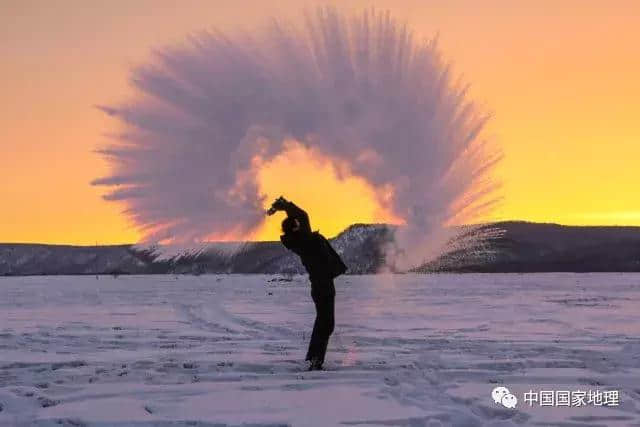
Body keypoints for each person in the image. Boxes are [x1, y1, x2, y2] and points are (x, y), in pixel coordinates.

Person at [267, 196, 347, 370]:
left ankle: (314, 358)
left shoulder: (299, 240)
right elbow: (303, 215)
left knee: (324, 322)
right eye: (297, 223)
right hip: (322, 285)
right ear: (296, 227)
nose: (300, 222)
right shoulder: (305, 240)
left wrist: (285, 207)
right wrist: (285, 205)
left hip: (320, 284)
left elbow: (301, 216)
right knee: (326, 323)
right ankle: (315, 361)